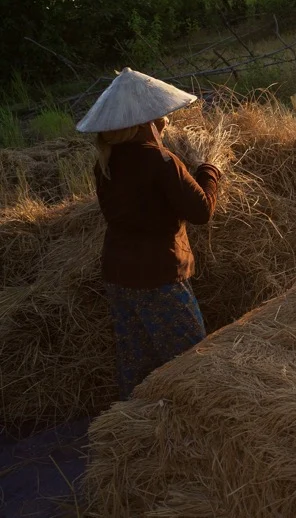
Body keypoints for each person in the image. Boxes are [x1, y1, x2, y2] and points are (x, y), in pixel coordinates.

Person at [76, 68, 221, 399]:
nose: (164, 120)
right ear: (146, 121)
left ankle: (135, 419)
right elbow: (201, 211)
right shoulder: (159, 161)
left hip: (118, 275)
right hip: (158, 276)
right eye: (159, 116)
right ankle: (193, 417)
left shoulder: (105, 163)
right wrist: (209, 171)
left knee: (137, 361)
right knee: (191, 359)